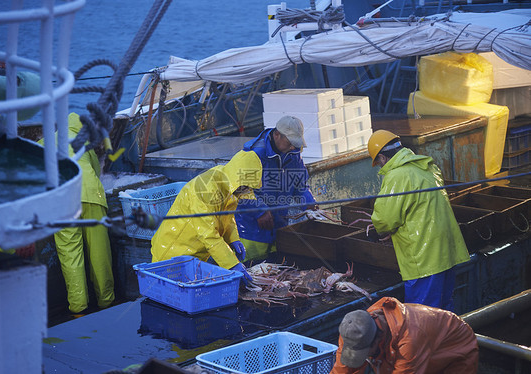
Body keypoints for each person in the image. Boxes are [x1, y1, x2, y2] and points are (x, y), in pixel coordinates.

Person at [366, 130, 470, 310]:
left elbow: (384, 220)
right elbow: (421, 209)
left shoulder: (397, 175)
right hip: (446, 251)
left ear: (382, 158)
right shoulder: (427, 167)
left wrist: (383, 230)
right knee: (444, 312)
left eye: (379, 162)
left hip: (425, 259)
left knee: (421, 315)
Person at [150, 150, 263, 284]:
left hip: (193, 256)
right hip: (172, 254)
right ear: (236, 178)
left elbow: (226, 218)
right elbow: (208, 234)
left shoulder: (229, 185)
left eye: (248, 187)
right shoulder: (205, 190)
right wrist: (232, 264)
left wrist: (233, 239)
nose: (246, 190)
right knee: (167, 292)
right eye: (244, 186)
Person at [42, 113, 115, 316]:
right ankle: (106, 302)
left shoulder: (44, 143)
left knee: (71, 255)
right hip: (92, 197)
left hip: (63, 202)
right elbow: (94, 171)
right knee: (100, 252)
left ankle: (78, 309)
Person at [235, 116, 316, 262]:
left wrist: (309, 202)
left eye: (296, 143)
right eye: (290, 142)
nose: (293, 147)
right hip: (251, 229)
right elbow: (240, 188)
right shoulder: (253, 154)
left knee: (277, 271)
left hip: (279, 225)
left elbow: (299, 183)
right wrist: (259, 211)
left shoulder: (293, 152)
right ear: (277, 134)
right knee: (253, 271)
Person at [331, 297, 478, 374]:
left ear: (377, 339)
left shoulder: (410, 338)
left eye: (365, 353)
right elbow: (342, 369)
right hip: (419, 349)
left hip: (456, 346)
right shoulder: (353, 330)